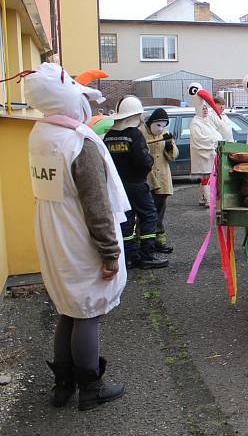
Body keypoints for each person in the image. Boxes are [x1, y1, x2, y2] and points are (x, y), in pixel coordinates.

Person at [24, 63, 127, 410]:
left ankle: (63, 385)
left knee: (69, 308)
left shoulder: (40, 133)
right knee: (87, 311)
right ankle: (91, 387)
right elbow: (97, 206)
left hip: (54, 231)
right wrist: (110, 252)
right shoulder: (78, 142)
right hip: (79, 236)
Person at [104, 96, 169, 269]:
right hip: (138, 184)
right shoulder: (134, 134)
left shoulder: (109, 136)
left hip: (118, 186)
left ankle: (129, 257)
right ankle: (147, 255)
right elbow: (144, 161)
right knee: (148, 216)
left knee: (126, 220)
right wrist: (149, 160)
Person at [140, 108, 179, 254]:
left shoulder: (164, 134)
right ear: (150, 123)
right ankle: (143, 241)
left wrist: (169, 145)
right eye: (158, 125)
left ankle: (158, 241)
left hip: (162, 179)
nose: (160, 128)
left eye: (163, 125)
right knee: (146, 212)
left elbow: (173, 155)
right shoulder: (140, 133)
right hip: (147, 178)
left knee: (159, 210)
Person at [187, 82, 223, 207]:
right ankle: (208, 200)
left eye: (206, 108)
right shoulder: (195, 123)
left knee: (206, 177)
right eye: (203, 108)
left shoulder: (205, 121)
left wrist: (215, 138)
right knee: (206, 178)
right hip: (204, 154)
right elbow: (200, 139)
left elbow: (214, 132)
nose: (206, 110)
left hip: (209, 154)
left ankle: (203, 198)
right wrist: (213, 141)